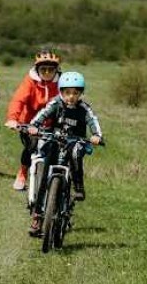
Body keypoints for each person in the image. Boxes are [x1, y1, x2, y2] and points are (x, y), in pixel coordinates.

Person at [24, 70, 103, 238]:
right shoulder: (56, 103)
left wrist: (96, 135)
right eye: (67, 93)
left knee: (75, 153)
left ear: (81, 93)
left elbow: (93, 120)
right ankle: (37, 217)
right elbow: (43, 114)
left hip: (76, 142)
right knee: (44, 174)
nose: (71, 97)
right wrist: (34, 125)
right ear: (61, 92)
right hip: (56, 140)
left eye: (75, 93)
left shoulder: (84, 108)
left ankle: (78, 187)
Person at [4, 49, 62, 191]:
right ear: (37, 69)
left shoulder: (61, 82)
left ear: (56, 70)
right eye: (43, 69)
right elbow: (18, 99)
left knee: (57, 150)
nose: (47, 73)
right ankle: (22, 173)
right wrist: (13, 119)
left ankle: (54, 184)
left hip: (53, 124)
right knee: (31, 146)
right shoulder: (30, 81)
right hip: (29, 122)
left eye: (51, 69)